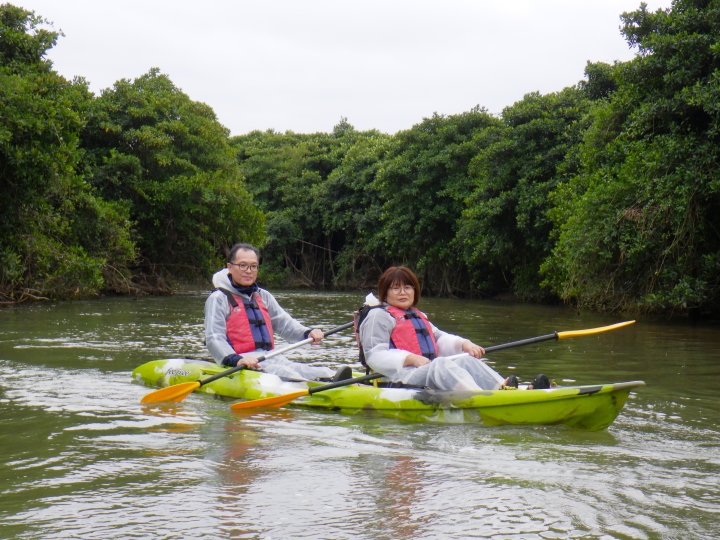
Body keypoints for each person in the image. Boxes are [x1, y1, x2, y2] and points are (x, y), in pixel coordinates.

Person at [357, 266, 549, 391]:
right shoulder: (378, 316)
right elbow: (374, 355)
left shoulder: (415, 314)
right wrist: (410, 358)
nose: (403, 293)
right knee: (441, 364)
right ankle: (483, 397)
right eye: (395, 288)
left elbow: (439, 338)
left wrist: (465, 345)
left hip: (426, 372)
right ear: (385, 292)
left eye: (408, 287)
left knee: (465, 360)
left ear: (414, 291)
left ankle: (506, 388)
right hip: (399, 378)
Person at [205, 243, 350, 382]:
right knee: (288, 374)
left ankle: (335, 380)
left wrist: (308, 333)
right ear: (230, 267)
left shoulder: (262, 296)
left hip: (270, 357)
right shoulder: (218, 298)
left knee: (321, 371)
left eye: (253, 266)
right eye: (242, 265)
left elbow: (285, 324)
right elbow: (214, 337)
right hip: (242, 361)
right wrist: (236, 359)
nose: (248, 271)